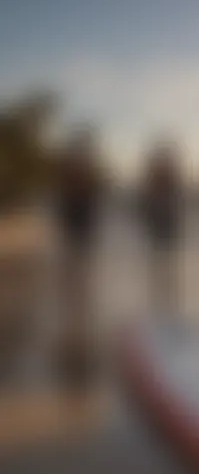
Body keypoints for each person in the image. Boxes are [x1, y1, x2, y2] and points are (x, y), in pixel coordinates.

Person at [53, 127, 105, 386]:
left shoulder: (81, 171)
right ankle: (75, 319)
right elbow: (68, 200)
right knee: (75, 271)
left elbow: (88, 201)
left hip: (81, 227)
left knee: (79, 272)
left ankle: (78, 315)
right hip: (76, 226)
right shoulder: (74, 171)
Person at [138, 141, 183, 316]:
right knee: (159, 257)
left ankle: (166, 294)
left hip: (166, 221)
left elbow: (176, 198)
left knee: (166, 258)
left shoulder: (167, 176)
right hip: (160, 221)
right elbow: (147, 199)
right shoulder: (157, 177)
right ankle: (160, 295)